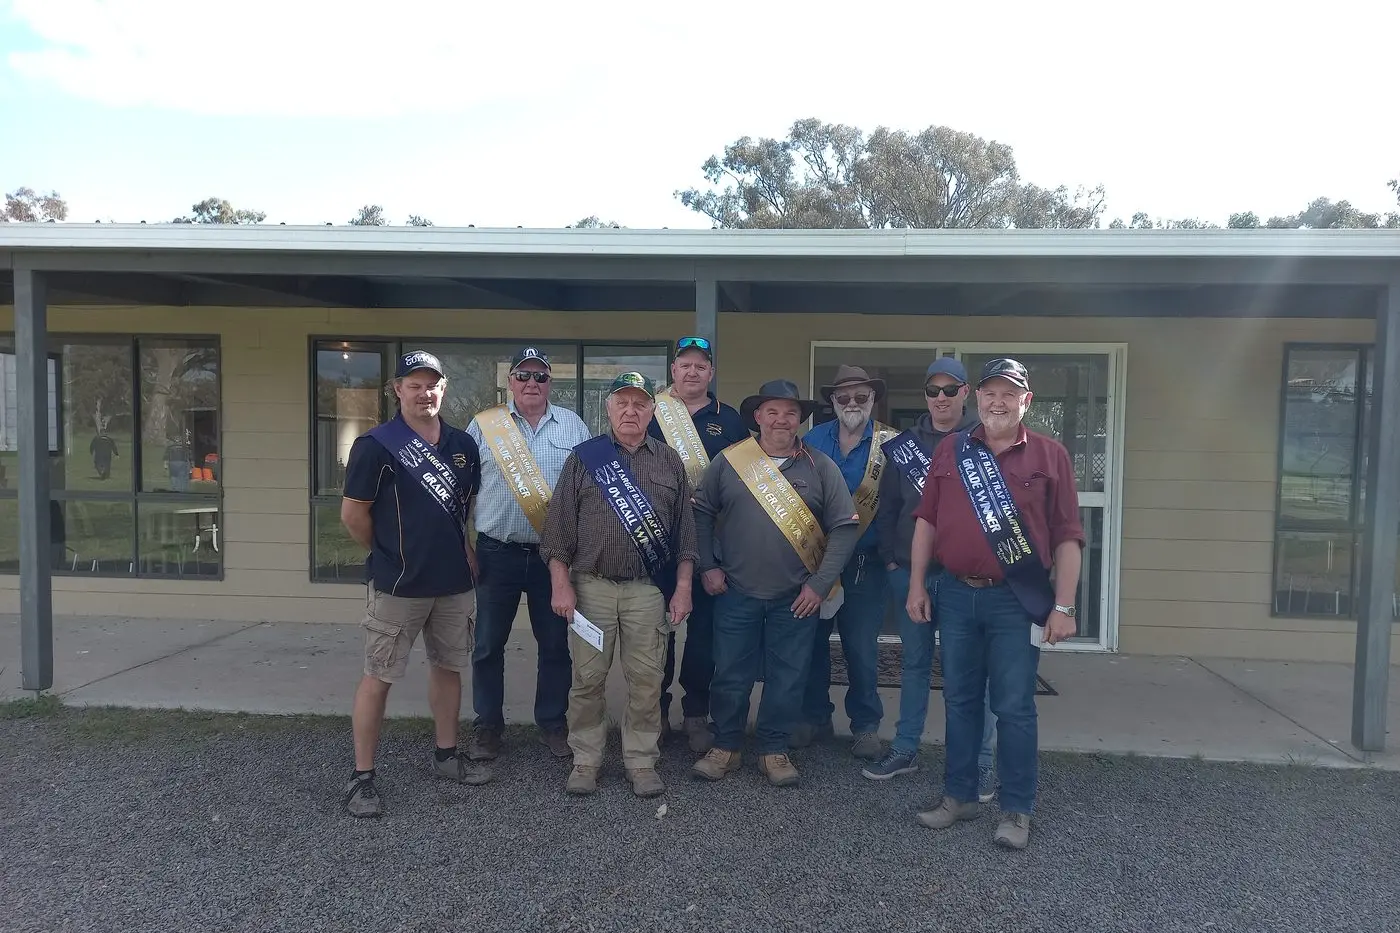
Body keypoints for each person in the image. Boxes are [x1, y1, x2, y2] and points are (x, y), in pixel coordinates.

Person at [906, 358, 1084, 850]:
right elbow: (927, 521)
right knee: (960, 701)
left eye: (1010, 393)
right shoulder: (952, 449)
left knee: (1014, 708)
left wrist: (1063, 606)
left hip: (1016, 601)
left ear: (1026, 401)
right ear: (977, 398)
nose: (998, 402)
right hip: (958, 595)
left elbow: (1069, 536)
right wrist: (917, 584)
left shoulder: (1051, 456)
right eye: (990, 393)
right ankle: (958, 796)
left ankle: (1016, 809)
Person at [690, 379, 860, 788]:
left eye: (790, 412)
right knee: (730, 673)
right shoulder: (730, 462)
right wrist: (707, 566)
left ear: (800, 418)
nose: (781, 419)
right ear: (757, 417)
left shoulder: (821, 466)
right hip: (735, 591)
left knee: (788, 676)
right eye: (772, 411)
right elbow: (700, 512)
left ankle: (773, 749)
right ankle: (726, 745)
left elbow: (844, 528)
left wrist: (819, 585)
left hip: (796, 597)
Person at [340, 350, 486, 818]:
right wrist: (388, 553)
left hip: (453, 583)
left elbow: (462, 510)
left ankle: (446, 754)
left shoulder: (464, 445)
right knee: (379, 676)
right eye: (415, 384)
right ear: (397, 390)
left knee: (449, 667)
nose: (425, 393)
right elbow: (353, 515)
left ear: (444, 388)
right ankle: (362, 778)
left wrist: (464, 549)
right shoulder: (376, 445)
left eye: (433, 384)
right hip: (398, 585)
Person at [542, 372, 698, 798]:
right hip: (590, 587)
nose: (631, 411)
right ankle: (586, 759)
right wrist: (561, 585)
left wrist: (682, 587)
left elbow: (686, 536)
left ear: (652, 410)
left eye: (640, 404)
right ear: (608, 409)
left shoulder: (668, 461)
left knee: (647, 680)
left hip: (648, 590)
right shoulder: (584, 458)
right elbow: (557, 531)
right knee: (587, 679)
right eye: (622, 403)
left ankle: (641, 761)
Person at [863, 358, 998, 793]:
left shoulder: (986, 441)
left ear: (966, 393)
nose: (940, 398)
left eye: (949, 389)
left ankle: (980, 761)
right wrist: (891, 561)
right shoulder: (903, 446)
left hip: (965, 579)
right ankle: (905, 749)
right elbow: (887, 510)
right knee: (915, 664)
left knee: (971, 671)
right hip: (910, 574)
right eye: (932, 390)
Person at [466, 347, 592, 766]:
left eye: (540, 377)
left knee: (554, 645)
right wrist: (464, 545)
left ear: (550, 383)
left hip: (552, 559)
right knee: (487, 645)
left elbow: (587, 493)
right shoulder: (485, 426)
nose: (532, 384)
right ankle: (488, 726)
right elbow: (461, 492)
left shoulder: (573, 425)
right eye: (523, 376)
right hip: (495, 553)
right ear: (511, 382)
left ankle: (552, 723)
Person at [647, 335, 748, 753]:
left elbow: (746, 478)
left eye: (700, 366)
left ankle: (695, 713)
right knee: (657, 631)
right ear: (673, 371)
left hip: (711, 541)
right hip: (655, 538)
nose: (692, 371)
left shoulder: (731, 420)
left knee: (703, 633)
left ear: (711, 373)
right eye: (684, 365)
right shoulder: (652, 411)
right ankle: (655, 712)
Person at [795, 365, 898, 761]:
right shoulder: (813, 439)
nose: (852, 404)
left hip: (866, 565)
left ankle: (866, 726)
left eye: (861, 397)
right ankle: (814, 716)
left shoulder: (892, 443)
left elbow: (904, 504)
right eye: (844, 398)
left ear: (873, 399)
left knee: (861, 649)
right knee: (812, 644)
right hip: (817, 562)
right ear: (832, 402)